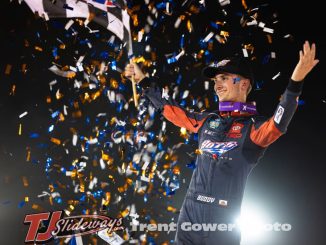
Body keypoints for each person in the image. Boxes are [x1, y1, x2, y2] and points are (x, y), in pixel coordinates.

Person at [124, 41, 318, 244]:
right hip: (190, 212)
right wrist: (144, 82)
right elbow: (172, 111)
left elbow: (278, 123)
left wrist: (295, 82)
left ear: (243, 84)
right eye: (216, 79)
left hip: (223, 220)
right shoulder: (207, 120)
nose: (217, 85)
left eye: (224, 78)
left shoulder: (253, 128)